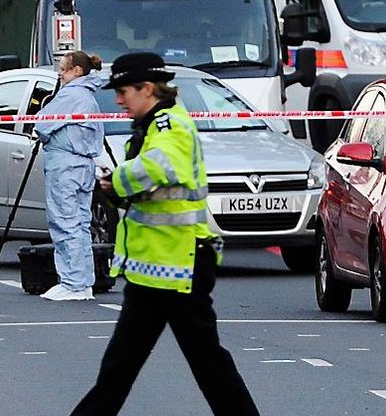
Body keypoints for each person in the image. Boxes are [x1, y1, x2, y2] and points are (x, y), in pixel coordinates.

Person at [72, 52, 259, 416]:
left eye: (124, 91)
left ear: (147, 89)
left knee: (208, 366)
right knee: (119, 369)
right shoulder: (155, 124)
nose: (118, 99)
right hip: (154, 271)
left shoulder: (170, 125)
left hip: (180, 267)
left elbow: (160, 165)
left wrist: (117, 183)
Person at [34, 51, 105, 301]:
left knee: (64, 221)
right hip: (83, 166)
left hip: (65, 165)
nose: (59, 74)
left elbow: (42, 123)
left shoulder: (71, 94)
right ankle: (83, 281)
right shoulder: (87, 95)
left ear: (77, 71)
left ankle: (72, 282)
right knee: (81, 223)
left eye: (63, 70)